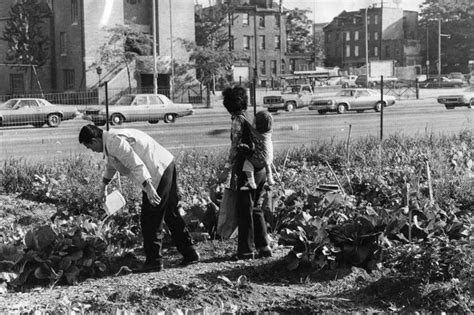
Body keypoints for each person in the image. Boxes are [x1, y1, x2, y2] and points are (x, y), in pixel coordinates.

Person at [78, 125, 199, 272]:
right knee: (169, 212)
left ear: (94, 140)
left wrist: (148, 186)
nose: (92, 151)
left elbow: (135, 163)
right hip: (164, 164)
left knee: (150, 218)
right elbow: (112, 164)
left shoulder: (114, 141)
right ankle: (190, 253)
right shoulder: (110, 141)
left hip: (156, 172)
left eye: (90, 147)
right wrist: (103, 186)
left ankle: (154, 261)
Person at [221, 86, 272, 260]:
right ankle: (264, 247)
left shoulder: (238, 120)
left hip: (246, 169)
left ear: (228, 104)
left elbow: (235, 147)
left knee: (244, 209)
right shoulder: (251, 116)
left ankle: (245, 250)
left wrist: (227, 168)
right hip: (261, 168)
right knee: (256, 207)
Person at [240, 110, 275, 190]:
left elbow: (250, 127)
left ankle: (251, 183)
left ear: (258, 125)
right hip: (269, 158)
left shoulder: (257, 135)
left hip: (259, 160)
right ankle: (270, 178)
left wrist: (244, 118)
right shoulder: (268, 133)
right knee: (267, 162)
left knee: (247, 162)